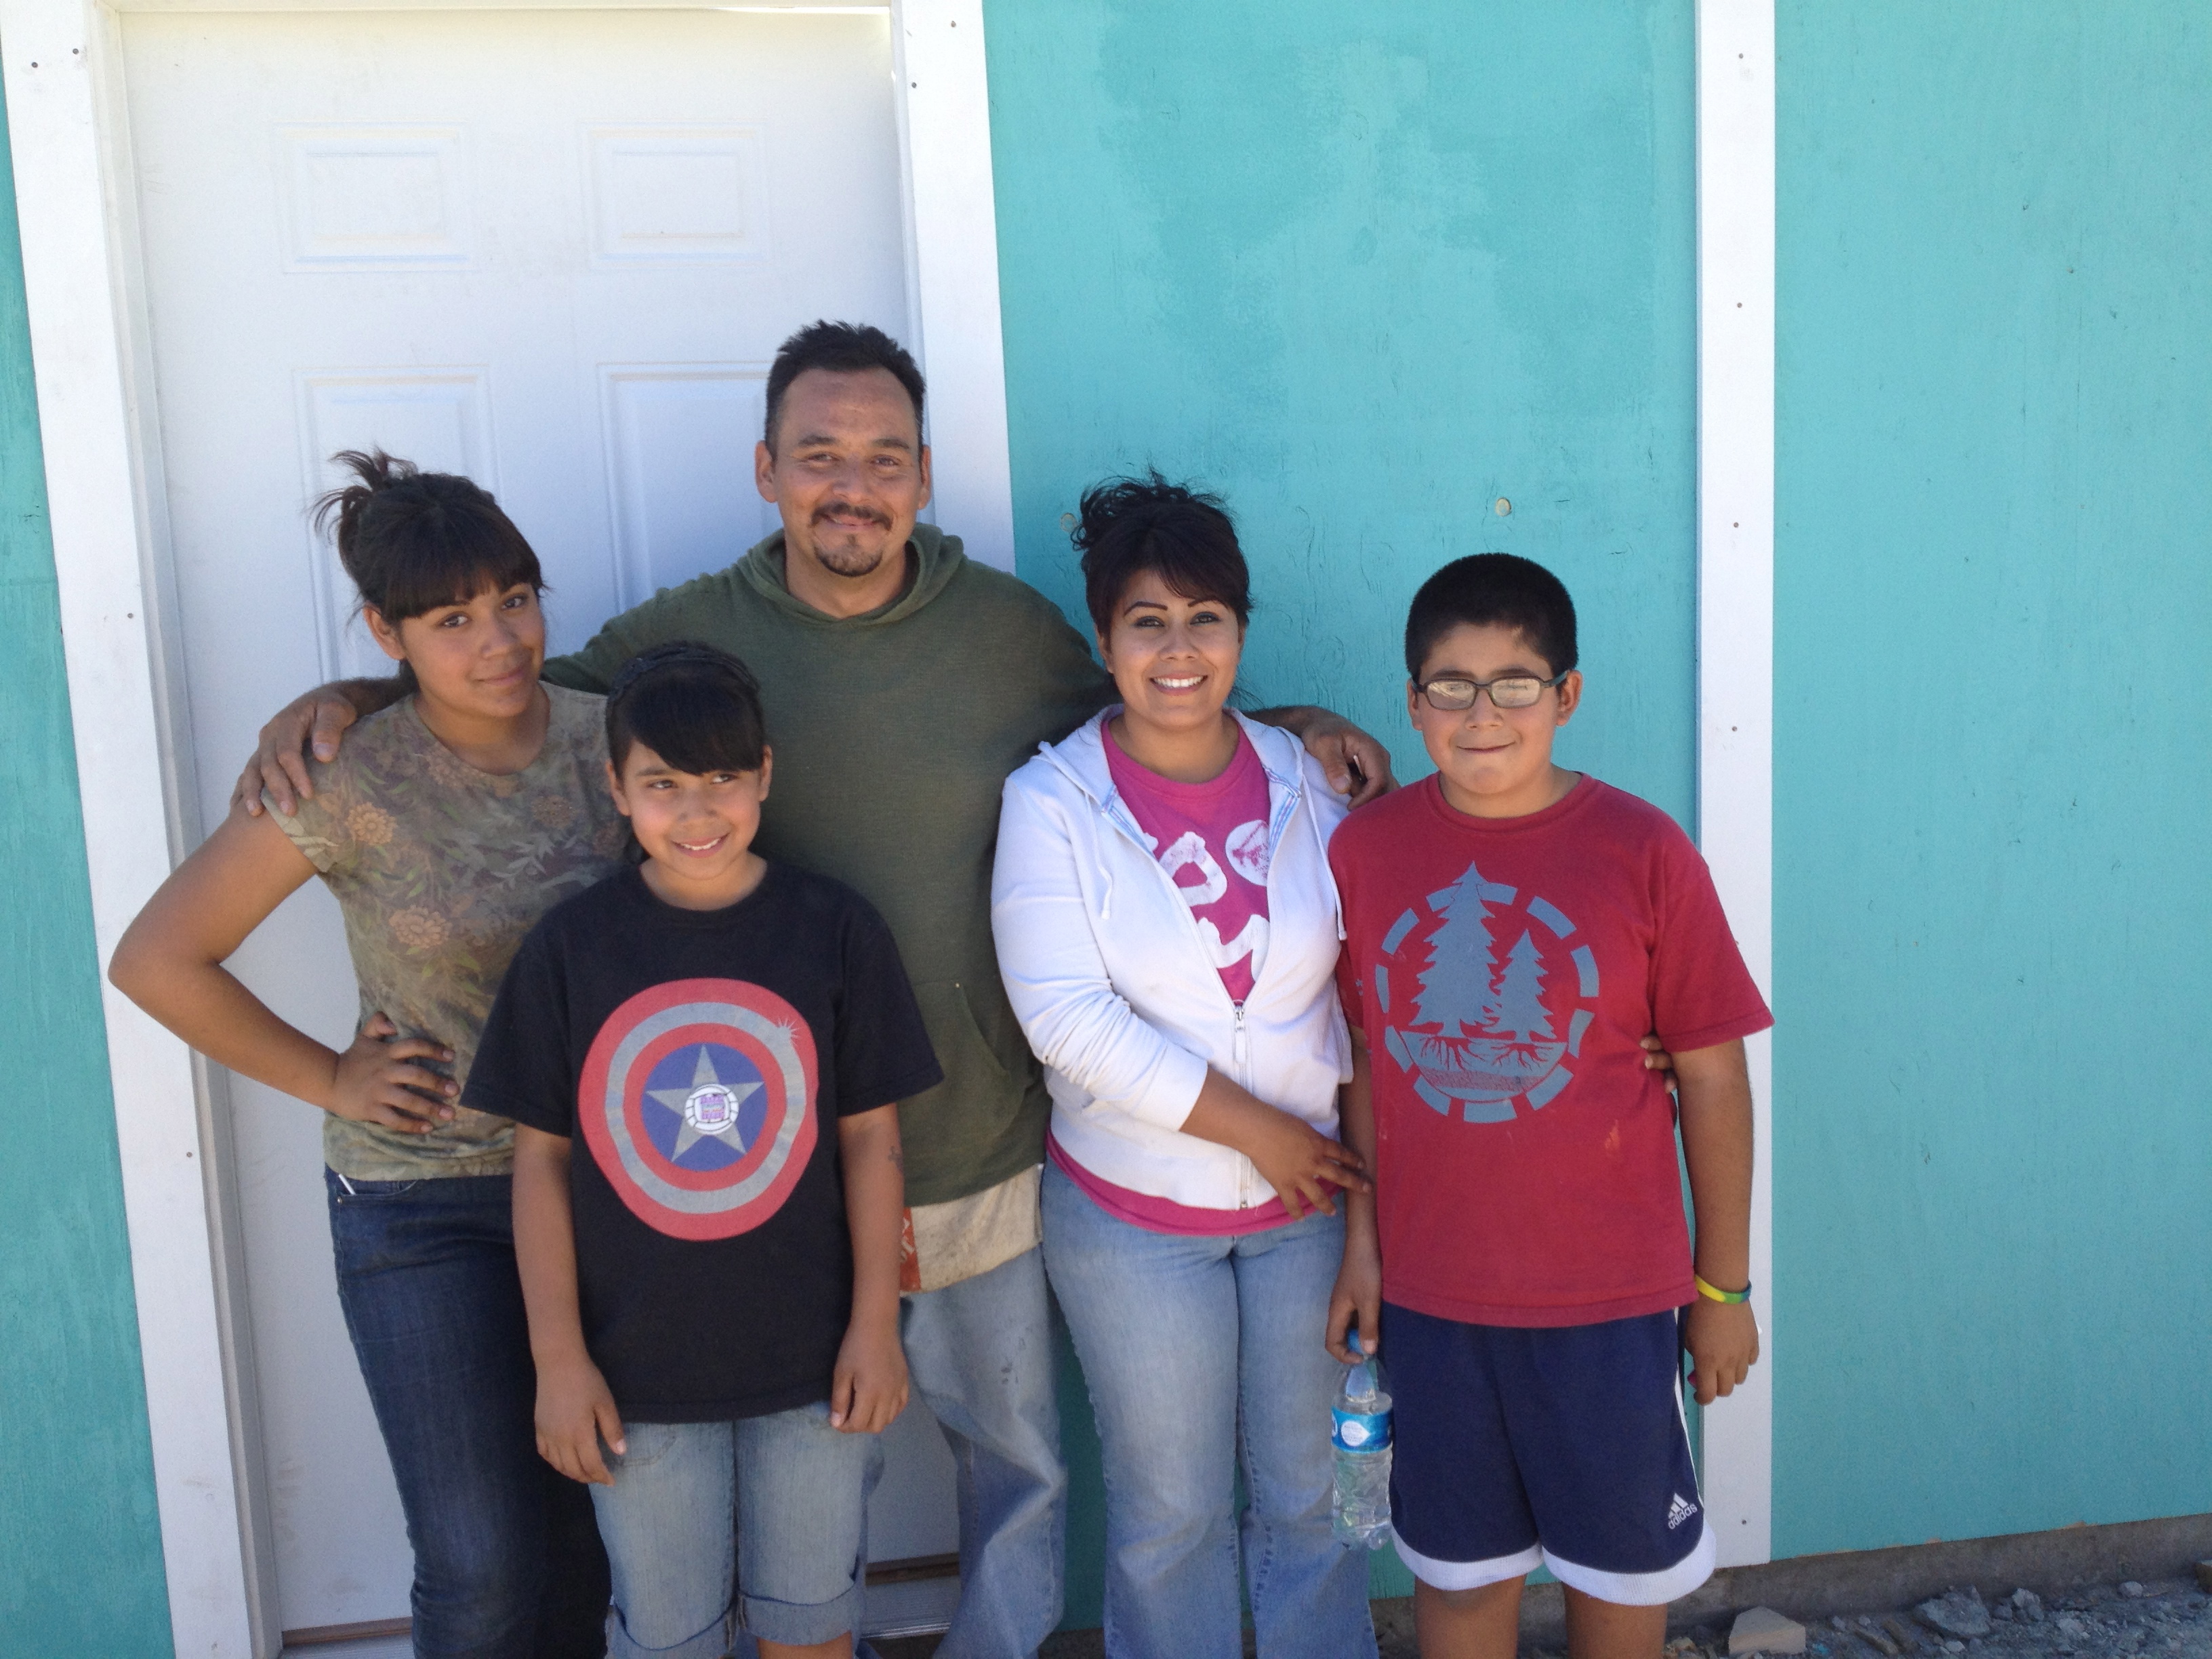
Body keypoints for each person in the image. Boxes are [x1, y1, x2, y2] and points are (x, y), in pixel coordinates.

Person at [234, 321, 1397, 1658]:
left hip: (973, 1145)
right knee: (799, 1479)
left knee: (1019, 1467)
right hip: (768, 1162)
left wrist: (1304, 726)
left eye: (885, 458)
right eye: (820, 455)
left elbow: (1162, 707)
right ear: (766, 470)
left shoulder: (1006, 631)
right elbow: (504, 690)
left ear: (923, 477)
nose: (854, 485)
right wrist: (348, 695)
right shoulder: (683, 633)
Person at [108, 452, 619, 1659]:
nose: (500, 640)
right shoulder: (342, 777)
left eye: (515, 599)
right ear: (388, 633)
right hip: (423, 1205)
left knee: (591, 1539)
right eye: (453, 620)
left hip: (604, 1187)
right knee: (481, 1563)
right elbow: (157, 959)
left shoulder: (612, 741)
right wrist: (330, 1077)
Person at [1325, 553, 1774, 1659]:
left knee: (1618, 1580)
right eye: (1450, 686)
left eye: (1515, 684)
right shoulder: (1365, 851)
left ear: (1566, 695)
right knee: (1458, 1579)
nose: (1482, 714)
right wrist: (1365, 1247)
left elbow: (1714, 1078)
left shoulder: (1644, 850)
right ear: (1412, 702)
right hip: (1434, 1301)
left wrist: (1723, 1288)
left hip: (1608, 1308)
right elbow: (1366, 1063)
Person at [468, 642, 939, 1659]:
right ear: (616, 787)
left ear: (765, 772)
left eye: (723, 777)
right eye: (663, 784)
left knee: (812, 1628)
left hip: (815, 1367)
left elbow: (873, 1138)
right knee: (667, 1636)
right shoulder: (571, 949)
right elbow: (540, 1164)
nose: (697, 811)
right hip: (634, 1378)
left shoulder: (835, 928)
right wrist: (558, 1359)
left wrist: (876, 1325)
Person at [991, 476, 1380, 1659]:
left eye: (1205, 618)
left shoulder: (1316, 780)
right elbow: (1068, 1021)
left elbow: (1372, 1000)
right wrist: (1261, 1133)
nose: (1178, 649)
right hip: (1132, 1220)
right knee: (1172, 1516)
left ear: (1242, 632)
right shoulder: (1052, 801)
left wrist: (1366, 1222)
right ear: (1104, 638)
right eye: (1146, 621)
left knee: (1315, 1499)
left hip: (1314, 1214)